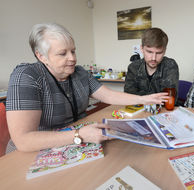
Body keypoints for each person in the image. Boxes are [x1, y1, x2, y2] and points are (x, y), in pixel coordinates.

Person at [6, 23, 169, 152]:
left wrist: (144, 99)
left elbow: (109, 96)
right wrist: (78, 135)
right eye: (63, 54)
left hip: (76, 141)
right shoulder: (26, 76)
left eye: (73, 51)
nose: (72, 59)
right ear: (41, 56)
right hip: (39, 149)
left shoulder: (80, 73)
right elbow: (23, 140)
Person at [124, 28, 179, 101]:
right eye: (149, 52)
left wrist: (141, 98)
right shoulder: (133, 67)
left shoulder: (170, 65)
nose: (153, 58)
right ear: (142, 48)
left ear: (165, 51)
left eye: (159, 53)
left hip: (163, 111)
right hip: (138, 110)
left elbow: (169, 100)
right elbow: (128, 97)